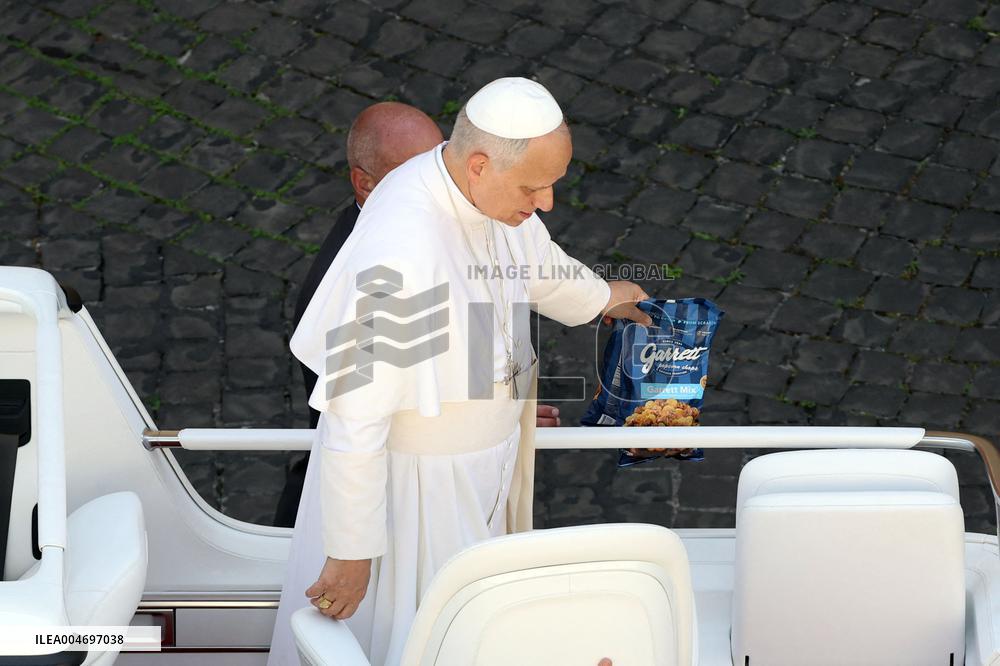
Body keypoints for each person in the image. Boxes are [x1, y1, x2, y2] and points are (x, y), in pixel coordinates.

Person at [267, 77, 652, 666]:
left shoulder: (481, 193)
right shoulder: (401, 250)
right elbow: (355, 415)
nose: (546, 202)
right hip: (418, 498)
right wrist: (350, 553)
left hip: (481, 468)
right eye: (534, 186)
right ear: (479, 165)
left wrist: (605, 298)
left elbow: (536, 265)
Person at [274, 102, 564, 527]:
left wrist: (503, 402)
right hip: (397, 505)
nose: (445, 177)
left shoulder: (464, 210)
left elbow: (482, 336)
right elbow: (359, 421)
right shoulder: (372, 270)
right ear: (364, 183)